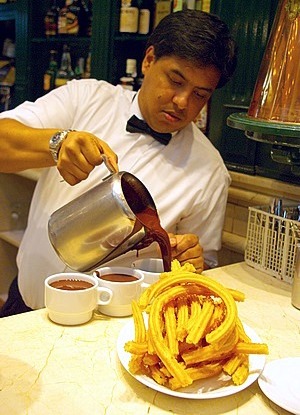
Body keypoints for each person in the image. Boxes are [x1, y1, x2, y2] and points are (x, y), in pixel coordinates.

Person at [0, 9, 237, 316]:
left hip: (112, 330)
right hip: (26, 305)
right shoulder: (87, 98)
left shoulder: (210, 172)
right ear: (149, 60)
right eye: (175, 81)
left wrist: (193, 260)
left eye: (200, 95)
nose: (182, 102)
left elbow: (197, 270)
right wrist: (57, 144)